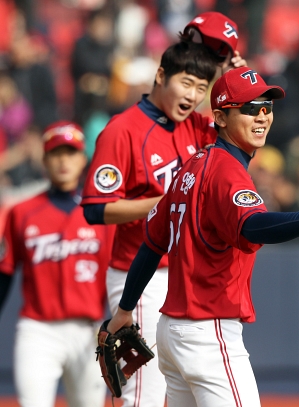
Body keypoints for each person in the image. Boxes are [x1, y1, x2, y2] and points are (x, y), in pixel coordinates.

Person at [105, 67, 299, 407]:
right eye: (249, 108)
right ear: (220, 117)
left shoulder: (191, 167)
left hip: (171, 333)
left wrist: (124, 308)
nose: (262, 116)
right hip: (208, 331)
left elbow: (151, 244)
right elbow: (252, 225)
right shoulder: (227, 172)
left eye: (266, 107)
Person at [81, 12, 247, 407]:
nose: (191, 95)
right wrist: (164, 204)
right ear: (160, 76)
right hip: (139, 277)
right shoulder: (123, 129)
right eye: (185, 83)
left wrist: (238, 74)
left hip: (188, 277)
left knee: (184, 392)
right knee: (145, 396)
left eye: (201, 87)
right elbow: (95, 209)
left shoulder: (198, 126)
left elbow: (242, 133)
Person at [0, 121, 113, 407]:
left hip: (89, 329)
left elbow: (119, 273)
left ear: (82, 159)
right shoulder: (23, 212)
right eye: (56, 154)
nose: (64, 161)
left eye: (71, 153)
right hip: (38, 330)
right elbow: (5, 273)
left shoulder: (103, 214)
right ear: (45, 159)